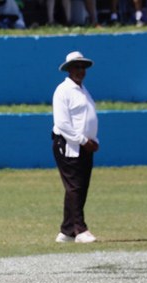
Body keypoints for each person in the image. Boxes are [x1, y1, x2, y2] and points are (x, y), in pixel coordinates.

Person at [52, 51, 99, 244]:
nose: (80, 70)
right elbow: (62, 124)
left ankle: (67, 231)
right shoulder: (63, 90)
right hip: (69, 145)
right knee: (74, 187)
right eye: (76, 67)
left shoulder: (83, 90)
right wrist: (83, 140)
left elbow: (86, 118)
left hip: (84, 146)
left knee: (80, 187)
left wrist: (93, 140)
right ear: (69, 69)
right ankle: (80, 230)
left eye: (83, 67)